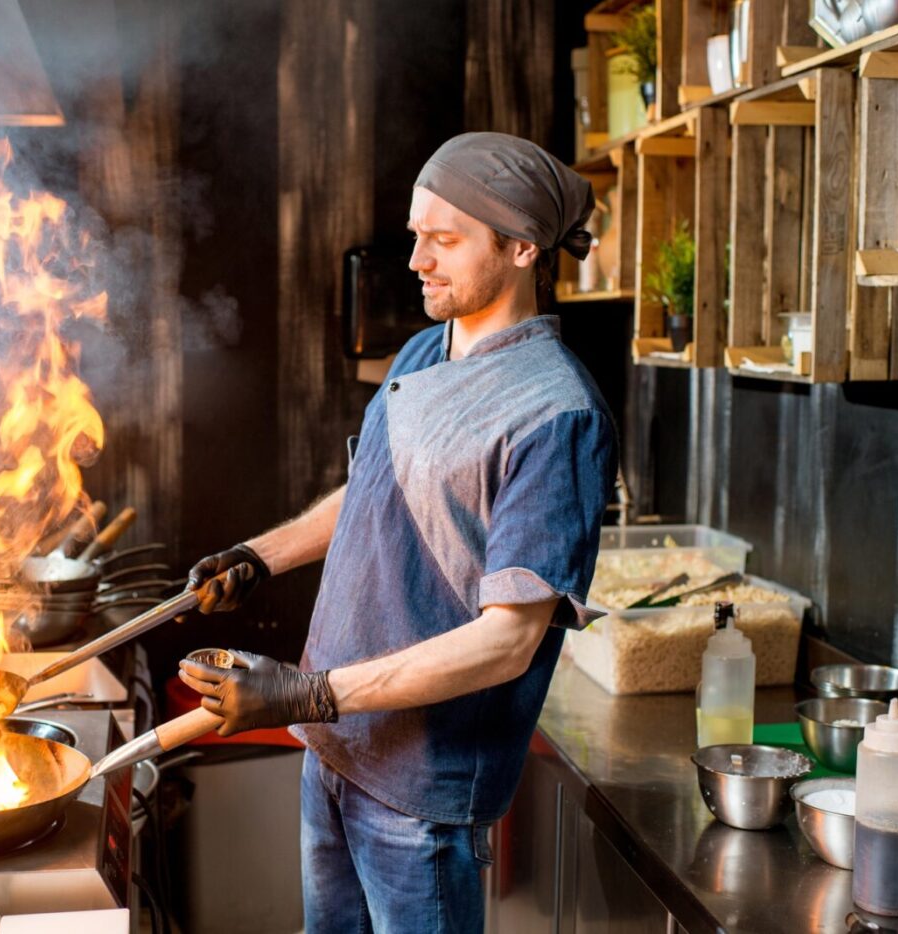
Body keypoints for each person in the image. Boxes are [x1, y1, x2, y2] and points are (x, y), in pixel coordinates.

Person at [179, 131, 618, 933]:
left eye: (445, 241)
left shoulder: (558, 415)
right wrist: (256, 557)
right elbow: (374, 490)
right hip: (335, 753)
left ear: (521, 247)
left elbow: (506, 643)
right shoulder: (422, 348)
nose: (418, 260)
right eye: (417, 234)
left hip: (420, 796)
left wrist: (311, 692)